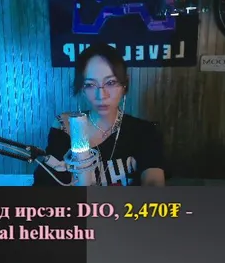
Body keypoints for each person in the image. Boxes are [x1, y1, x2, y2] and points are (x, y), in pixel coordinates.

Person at [34, 43, 165, 187]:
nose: (101, 95)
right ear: (82, 89)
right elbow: (45, 183)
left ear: (124, 85)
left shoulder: (144, 131)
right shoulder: (66, 126)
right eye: (90, 85)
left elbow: (154, 182)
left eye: (111, 82)